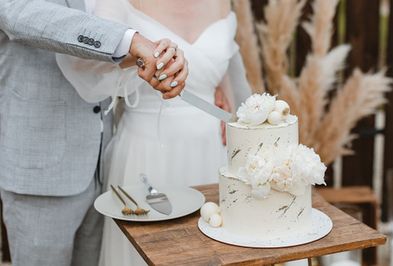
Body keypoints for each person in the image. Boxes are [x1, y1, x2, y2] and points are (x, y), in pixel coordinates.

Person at [57, 0, 252, 265]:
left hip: (213, 152)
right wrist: (137, 57)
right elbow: (84, 63)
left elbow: (224, 63)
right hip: (148, 154)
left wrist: (229, 108)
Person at [0, 0, 188, 265]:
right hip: (40, 173)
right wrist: (131, 41)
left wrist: (160, 57)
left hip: (103, 169)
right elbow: (22, 13)